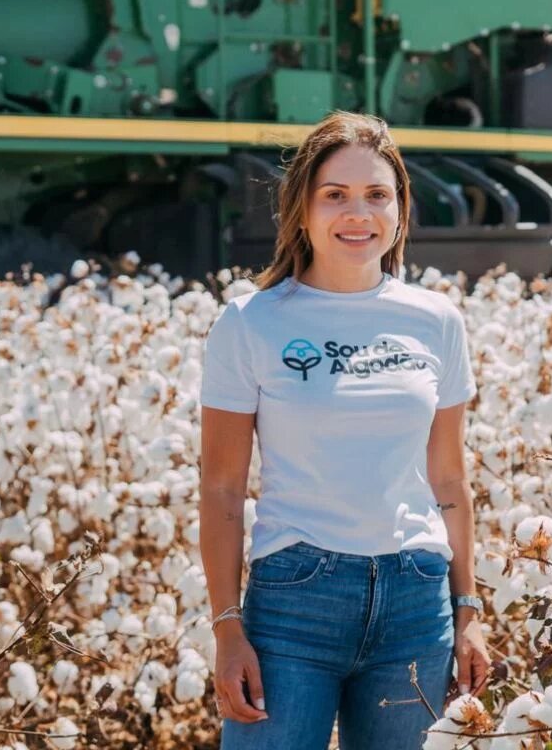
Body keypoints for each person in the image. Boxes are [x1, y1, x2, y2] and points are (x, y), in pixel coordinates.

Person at [198, 111, 490, 749]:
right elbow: (221, 489)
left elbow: (448, 480)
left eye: (376, 195)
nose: (358, 213)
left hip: (417, 604)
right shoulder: (249, 323)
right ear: (301, 210)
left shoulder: (437, 320)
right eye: (335, 195)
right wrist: (226, 629)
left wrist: (468, 610)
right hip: (294, 605)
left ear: (399, 210)